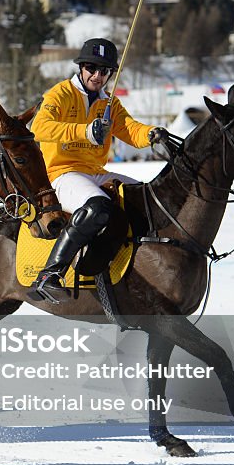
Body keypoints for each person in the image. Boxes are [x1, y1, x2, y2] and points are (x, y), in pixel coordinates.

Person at [29, 37, 170, 303]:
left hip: (95, 171)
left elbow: (129, 128)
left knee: (146, 197)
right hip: (61, 173)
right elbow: (39, 127)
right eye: (92, 68)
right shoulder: (60, 94)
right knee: (98, 207)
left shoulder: (109, 104)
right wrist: (85, 130)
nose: (97, 75)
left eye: (104, 71)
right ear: (81, 67)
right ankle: (50, 274)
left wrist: (151, 133)